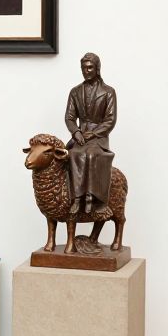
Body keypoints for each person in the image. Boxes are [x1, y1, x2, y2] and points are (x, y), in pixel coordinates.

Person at [65, 53, 116, 217]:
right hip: (80, 136)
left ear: (97, 69)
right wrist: (76, 132)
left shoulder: (108, 92)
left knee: (92, 155)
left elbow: (110, 120)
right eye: (83, 68)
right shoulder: (75, 92)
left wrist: (93, 133)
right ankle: (77, 198)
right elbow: (69, 117)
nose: (86, 71)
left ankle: (92, 197)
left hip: (98, 137)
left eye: (89, 68)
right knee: (74, 154)